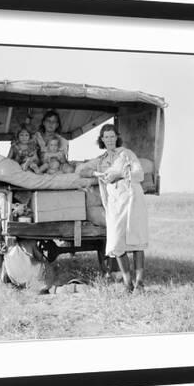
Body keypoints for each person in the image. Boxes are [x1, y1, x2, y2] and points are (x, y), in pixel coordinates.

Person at [80, 124, 148, 293]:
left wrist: (120, 174)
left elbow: (140, 174)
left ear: (117, 137)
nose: (109, 140)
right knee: (116, 242)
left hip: (132, 197)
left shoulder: (126, 154)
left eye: (112, 136)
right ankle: (127, 283)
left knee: (136, 238)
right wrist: (96, 174)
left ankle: (139, 283)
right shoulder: (101, 160)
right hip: (115, 201)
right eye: (106, 137)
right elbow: (81, 170)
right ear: (101, 139)